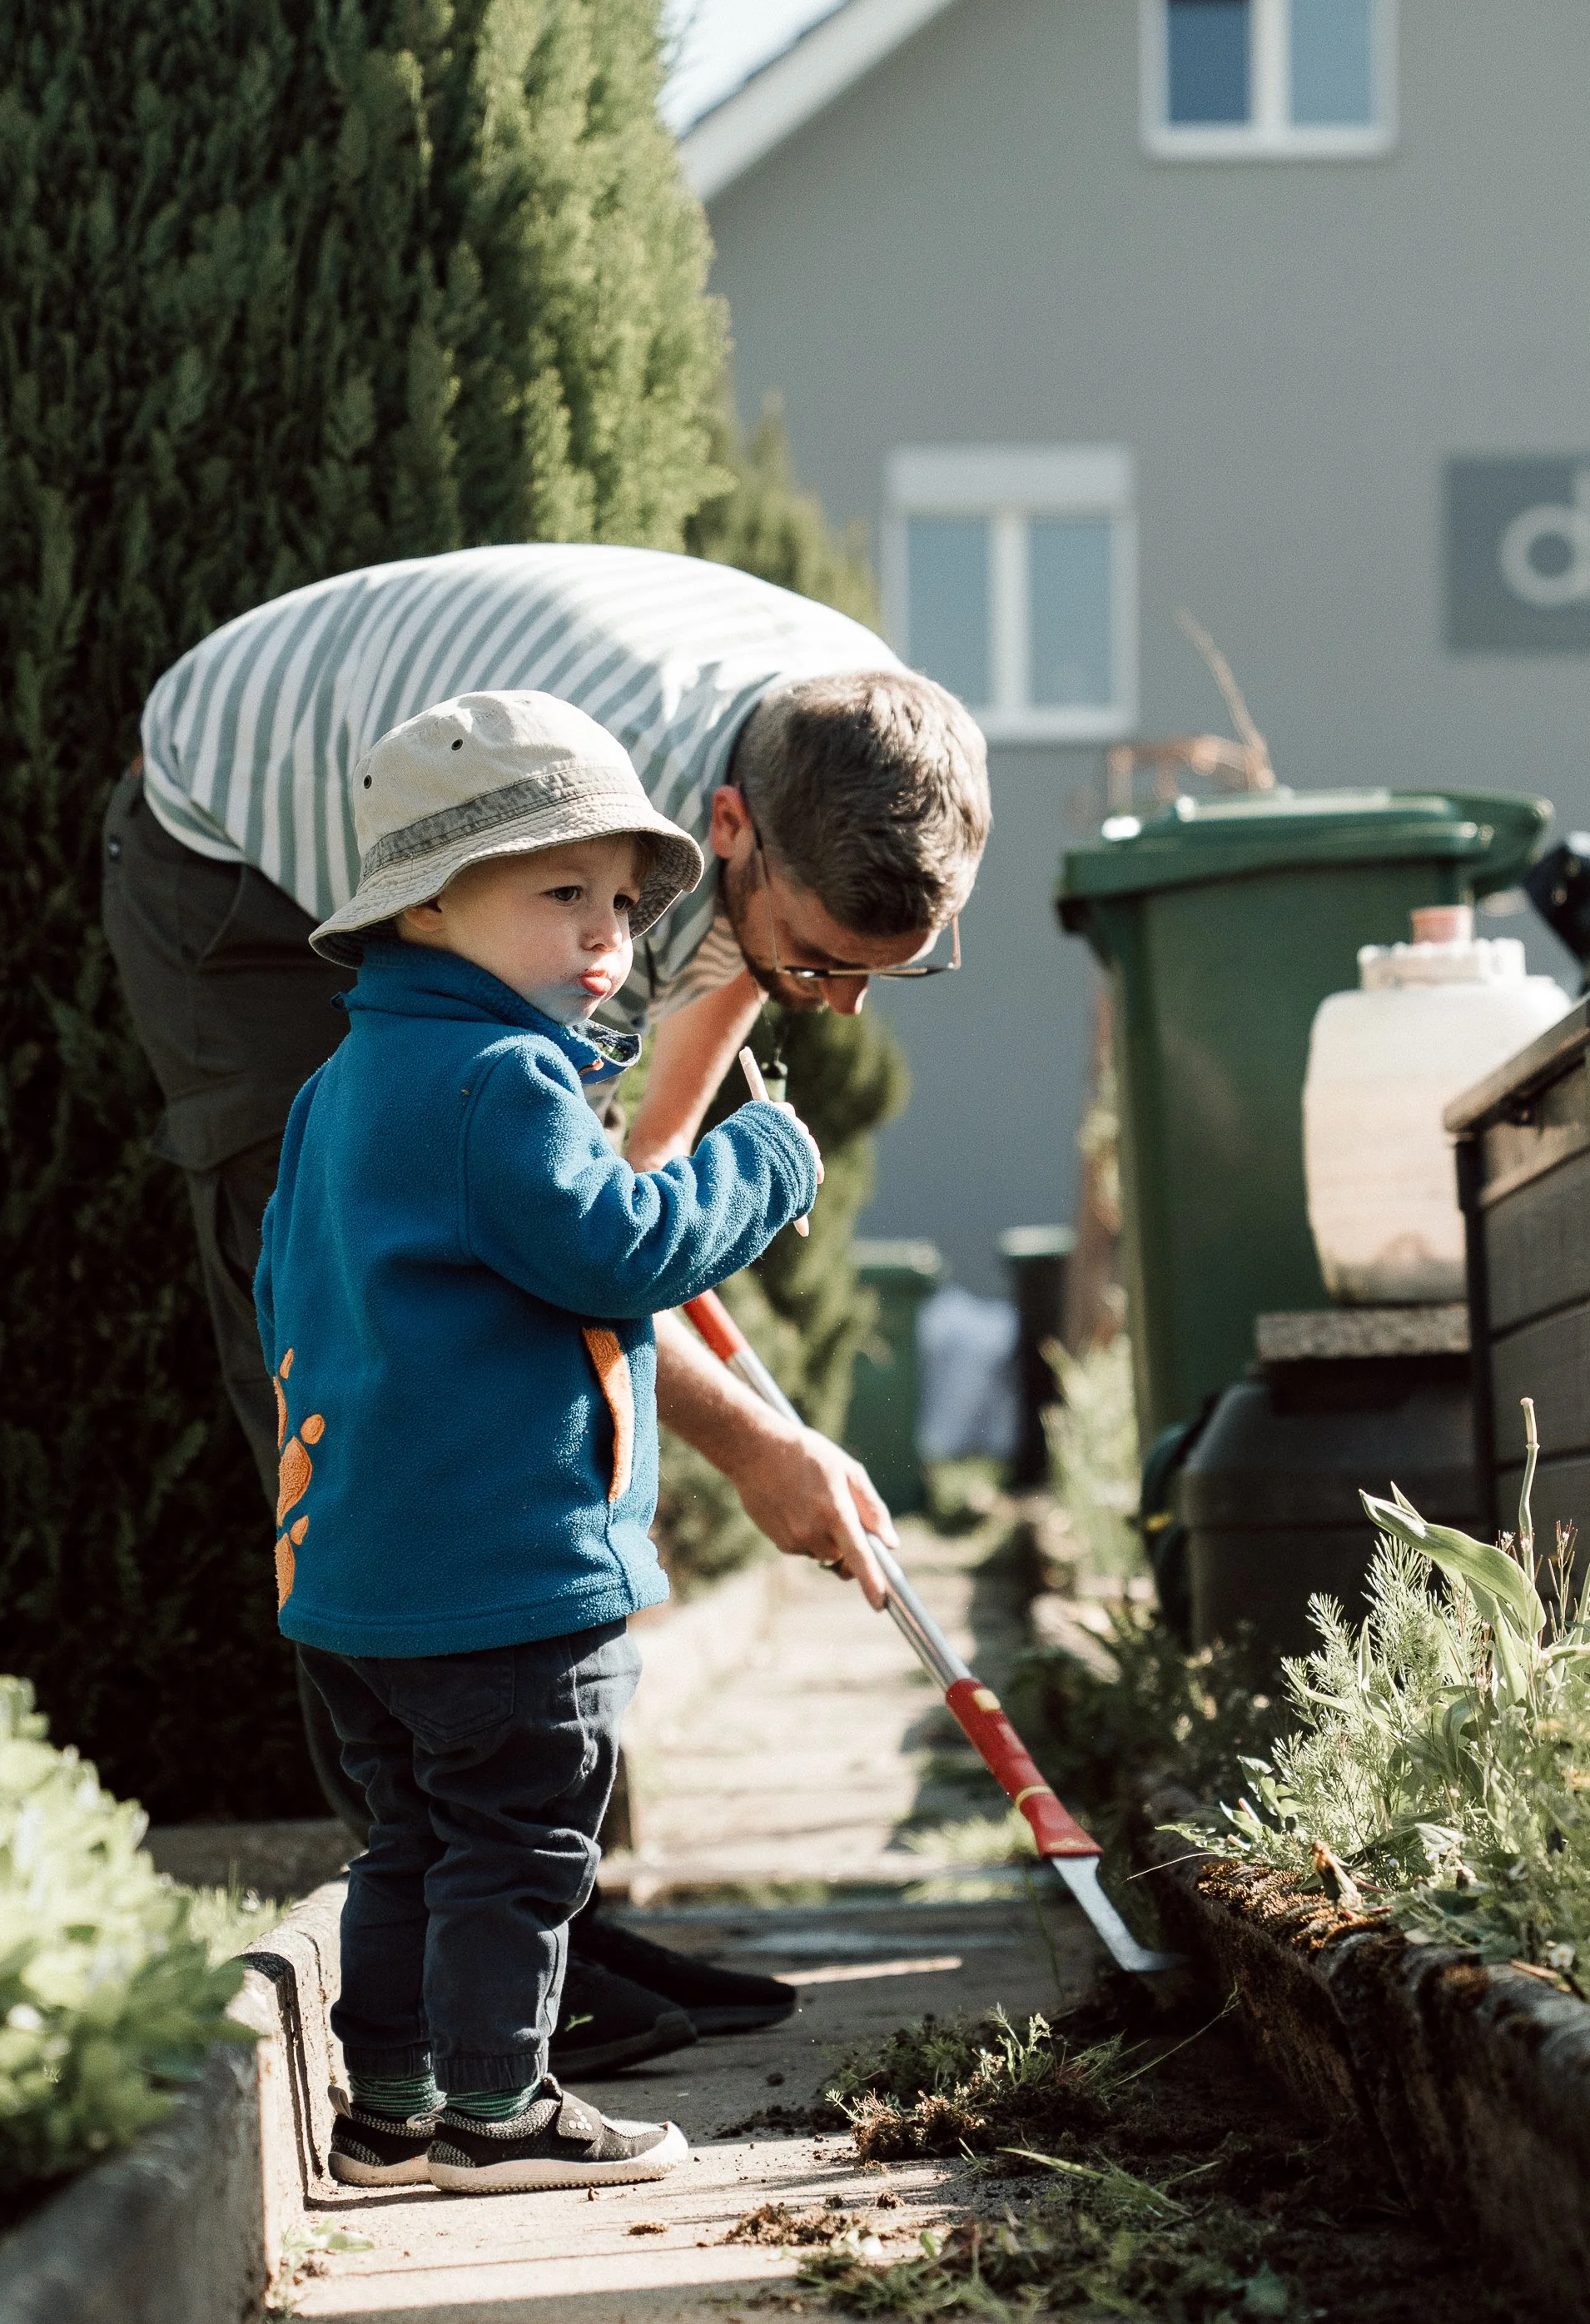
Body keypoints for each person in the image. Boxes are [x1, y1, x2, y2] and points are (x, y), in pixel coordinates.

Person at [102, 540, 990, 2067]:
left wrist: (651, 1185)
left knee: (531, 1319)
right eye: (826, 965)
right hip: (236, 859)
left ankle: (534, 1916)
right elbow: (556, 1256)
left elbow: (691, 1049)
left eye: (880, 979)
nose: (838, 1010)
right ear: (723, 836)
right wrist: (759, 1444)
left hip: (478, 837)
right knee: (374, 1390)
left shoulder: (856, 738)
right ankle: (480, 1975)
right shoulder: (588, 870)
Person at [259, 691, 823, 2191]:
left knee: (410, 1846)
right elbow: (618, 1248)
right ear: (430, 905)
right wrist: (760, 1163)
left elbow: (279, 1290)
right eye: (559, 892)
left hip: (358, 1573)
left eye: (625, 903)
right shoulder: (501, 1081)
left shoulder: (336, 1091)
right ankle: (500, 2114)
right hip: (500, 1568)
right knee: (522, 1852)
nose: (606, 937)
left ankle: (387, 2113)